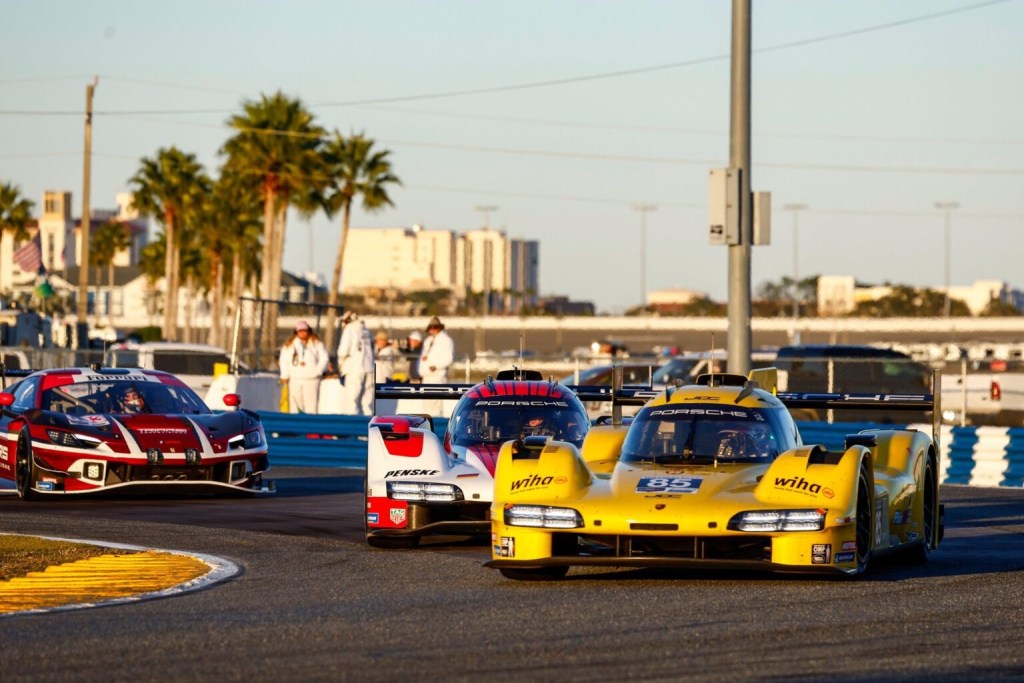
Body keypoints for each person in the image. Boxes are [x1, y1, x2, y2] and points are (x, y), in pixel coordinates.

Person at [279, 320, 329, 414]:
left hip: (312, 379)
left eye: (304, 330)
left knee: (311, 405)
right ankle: (295, 427)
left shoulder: (316, 343)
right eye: (300, 331)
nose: (302, 333)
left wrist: (318, 371)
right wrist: (284, 375)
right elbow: (284, 360)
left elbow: (324, 358)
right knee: (295, 405)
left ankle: (311, 427)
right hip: (295, 378)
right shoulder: (290, 345)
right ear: (296, 332)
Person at [337, 311, 374, 415]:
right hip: (369, 368)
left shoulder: (350, 329)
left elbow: (343, 351)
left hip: (354, 369)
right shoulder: (366, 331)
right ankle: (367, 427)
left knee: (352, 401)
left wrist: (341, 366)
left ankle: (352, 428)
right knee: (367, 402)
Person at [417, 316, 455, 416]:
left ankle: (436, 426)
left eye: (435, 327)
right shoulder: (428, 341)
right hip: (426, 376)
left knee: (435, 405)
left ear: (439, 328)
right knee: (426, 405)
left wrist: (436, 366)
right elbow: (423, 357)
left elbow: (448, 358)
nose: (432, 330)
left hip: (437, 376)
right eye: (431, 328)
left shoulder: (446, 340)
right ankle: (427, 426)